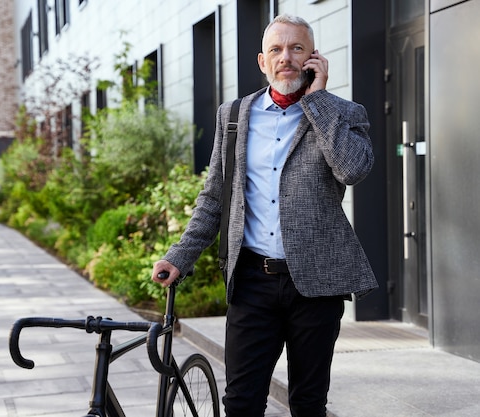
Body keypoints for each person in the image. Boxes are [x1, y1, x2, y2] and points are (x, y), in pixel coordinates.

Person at [151, 13, 379, 417]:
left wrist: (318, 101)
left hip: (317, 284)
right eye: (276, 49)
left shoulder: (344, 113)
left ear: (314, 58)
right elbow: (213, 197)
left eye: (296, 48)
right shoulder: (234, 115)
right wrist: (179, 256)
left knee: (308, 403)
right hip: (253, 280)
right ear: (262, 61)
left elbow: (352, 170)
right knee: (241, 401)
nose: (285, 58)